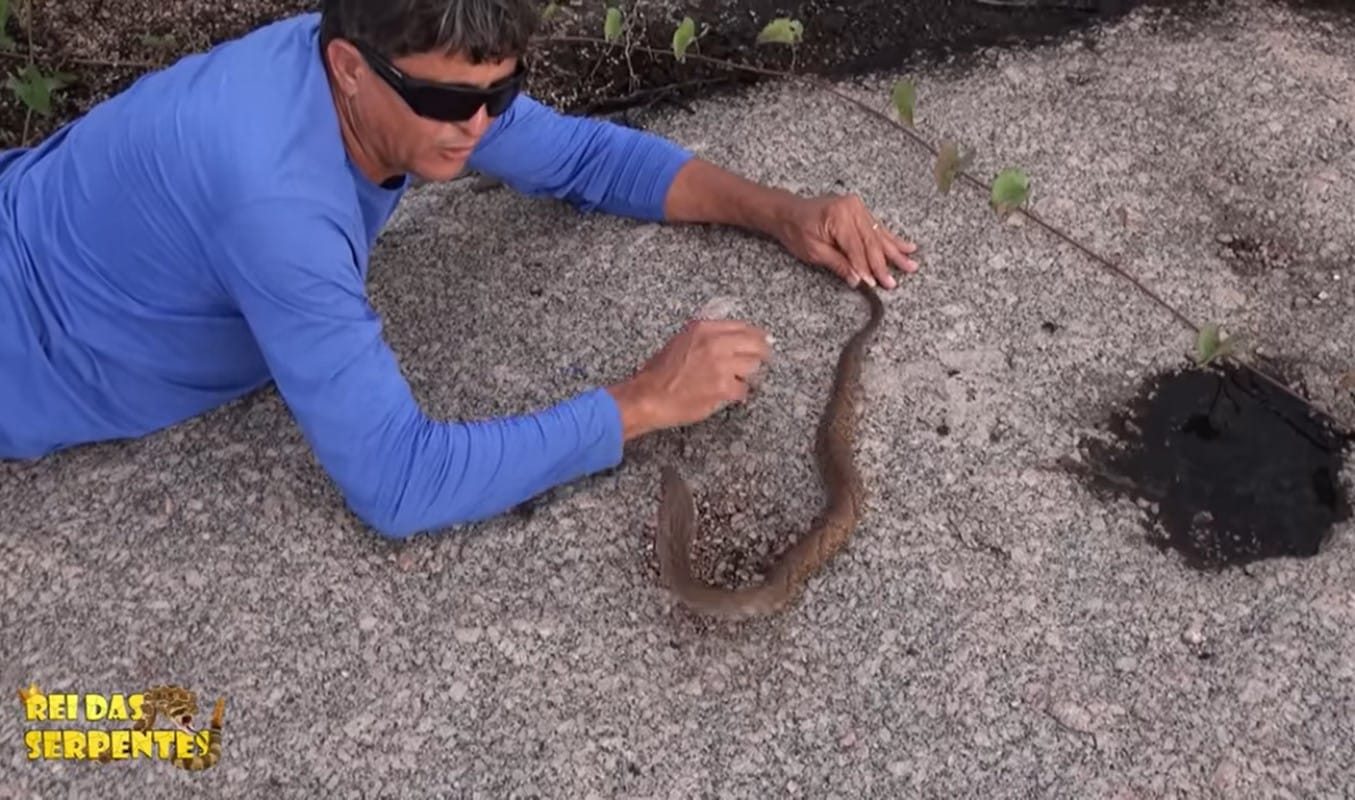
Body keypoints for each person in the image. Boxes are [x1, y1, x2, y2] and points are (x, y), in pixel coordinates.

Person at [0, 0, 919, 538]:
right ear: (349, 67)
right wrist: (643, 401)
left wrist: (781, 211)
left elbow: (587, 161)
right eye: (448, 99)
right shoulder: (275, 206)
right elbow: (399, 484)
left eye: (500, 93)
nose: (478, 127)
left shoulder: (390, 71)